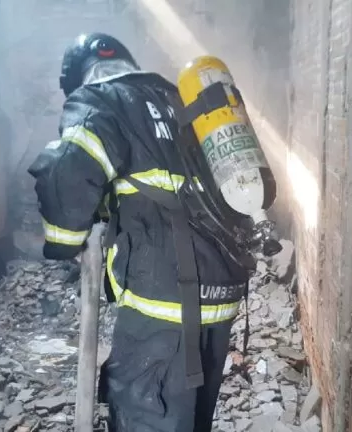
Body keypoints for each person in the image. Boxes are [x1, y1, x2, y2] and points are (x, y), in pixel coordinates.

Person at [27, 33, 250, 431]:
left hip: (164, 301)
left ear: (81, 77)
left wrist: (63, 242)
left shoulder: (100, 100)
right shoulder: (179, 98)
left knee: (145, 412)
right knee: (190, 414)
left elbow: (66, 172)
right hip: (220, 291)